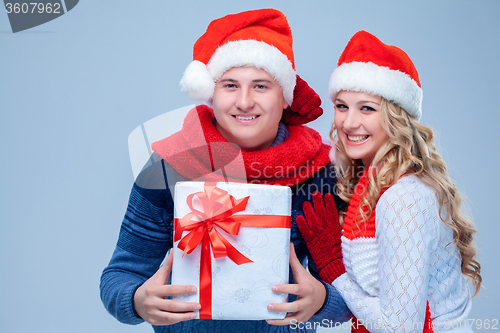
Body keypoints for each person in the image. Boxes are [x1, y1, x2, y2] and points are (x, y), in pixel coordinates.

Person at [100, 9, 351, 333]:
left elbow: (352, 301)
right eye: (230, 85)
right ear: (212, 94)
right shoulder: (168, 168)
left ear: (285, 97)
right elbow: (118, 276)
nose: (244, 102)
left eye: (260, 86)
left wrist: (321, 300)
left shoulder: (322, 174)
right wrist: (136, 300)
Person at [296, 31, 482, 333]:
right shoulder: (366, 185)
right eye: (342, 106)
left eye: (367, 108)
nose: (349, 122)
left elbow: (399, 327)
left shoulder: (404, 198)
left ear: (396, 117)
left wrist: (335, 269)